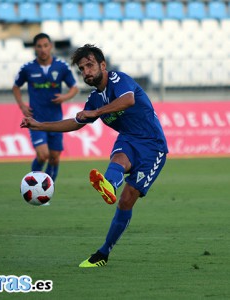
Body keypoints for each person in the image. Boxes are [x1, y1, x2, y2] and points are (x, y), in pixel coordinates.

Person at [20, 44, 168, 267]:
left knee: (127, 201)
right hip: (128, 138)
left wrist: (96, 113)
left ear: (102, 65)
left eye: (90, 65)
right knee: (118, 160)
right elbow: (75, 123)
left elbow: (128, 100)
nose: (86, 72)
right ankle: (109, 186)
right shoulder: (95, 98)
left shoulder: (119, 79)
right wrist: (39, 125)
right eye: (82, 69)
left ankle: (104, 250)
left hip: (153, 146)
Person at [13, 33, 78, 183]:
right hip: (36, 120)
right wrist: (22, 105)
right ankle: (31, 184)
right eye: (39, 46)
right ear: (35, 48)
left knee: (54, 158)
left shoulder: (61, 67)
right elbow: (16, 87)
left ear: (51, 47)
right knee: (43, 155)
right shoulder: (27, 68)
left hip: (56, 121)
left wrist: (65, 97)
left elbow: (74, 88)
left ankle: (47, 190)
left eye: (45, 45)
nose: (43, 49)